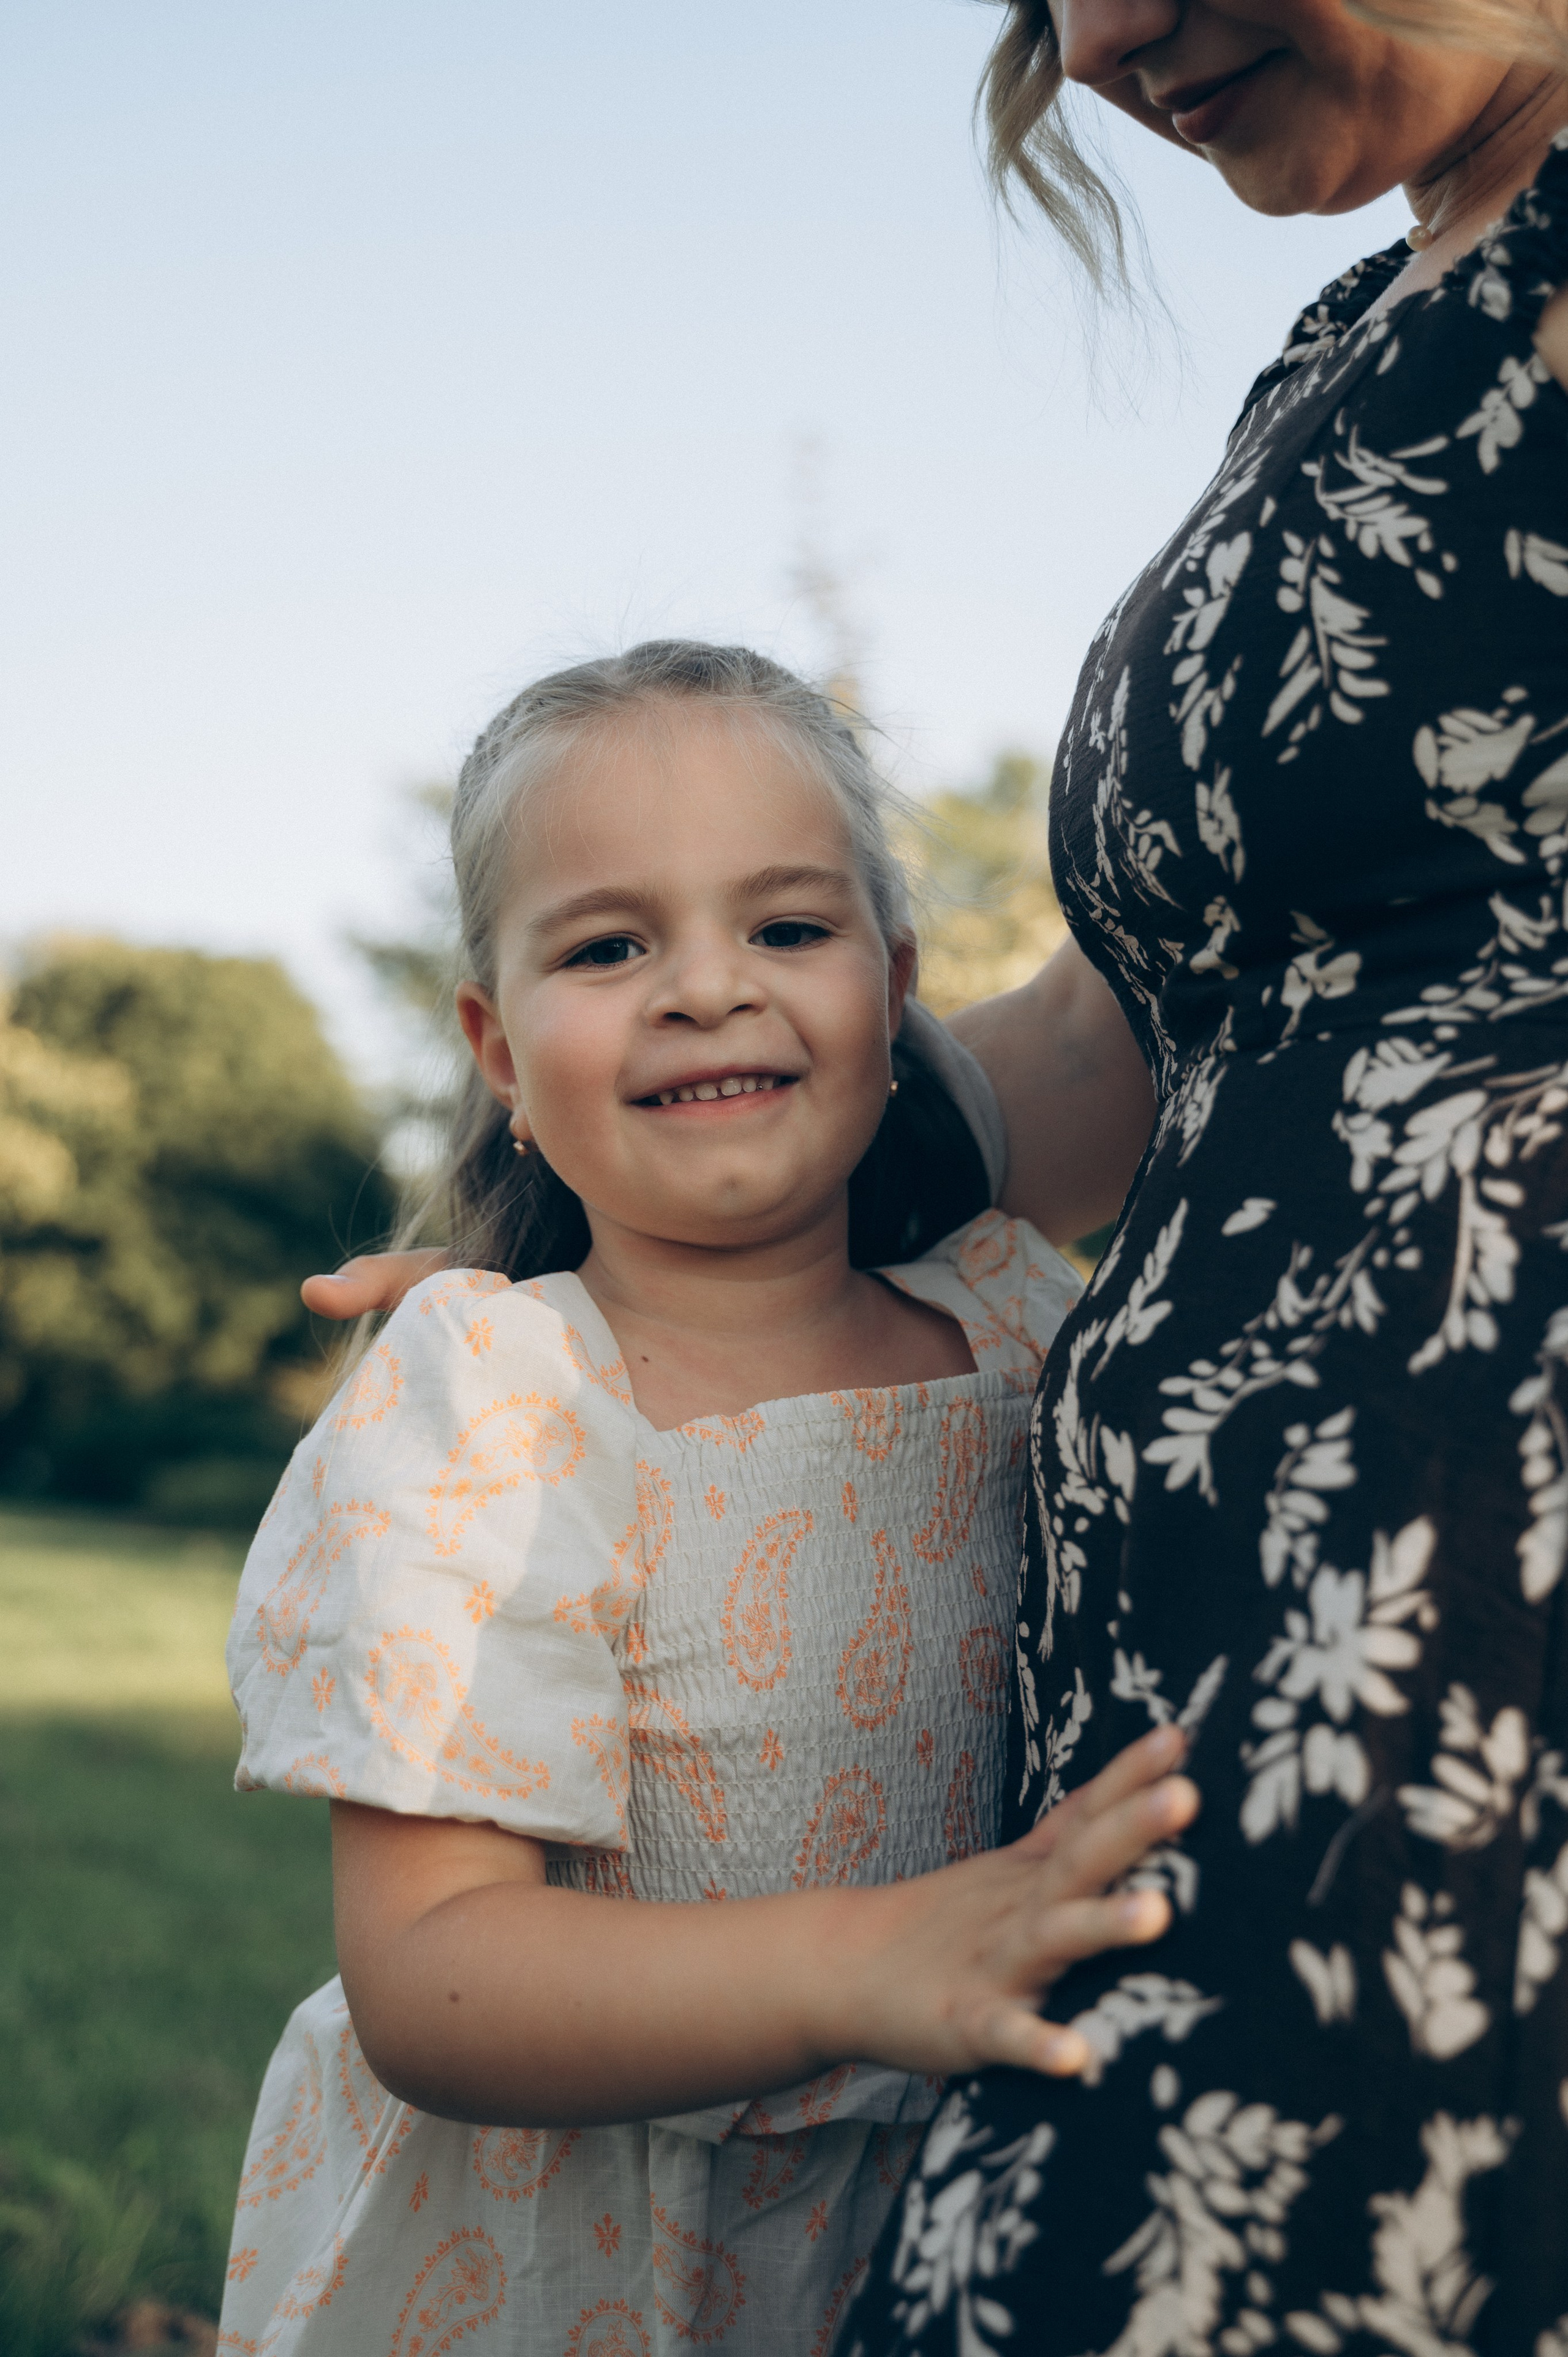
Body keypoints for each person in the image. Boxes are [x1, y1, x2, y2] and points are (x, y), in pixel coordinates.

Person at [314, 1, 1568, 2342]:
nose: (1094, 34)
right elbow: (1161, 1011)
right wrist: (608, 1284)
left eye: (789, 933)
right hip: (1179, 1741)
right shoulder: (1351, 328)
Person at [217, 641, 1200, 2356]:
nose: (705, 987)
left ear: (895, 994)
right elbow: (432, 1976)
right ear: (499, 1050)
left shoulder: (1027, 1328)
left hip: (930, 2226)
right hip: (564, 2269)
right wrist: (861, 1966)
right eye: (610, 946)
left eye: (788, 929)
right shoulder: (498, 1403)